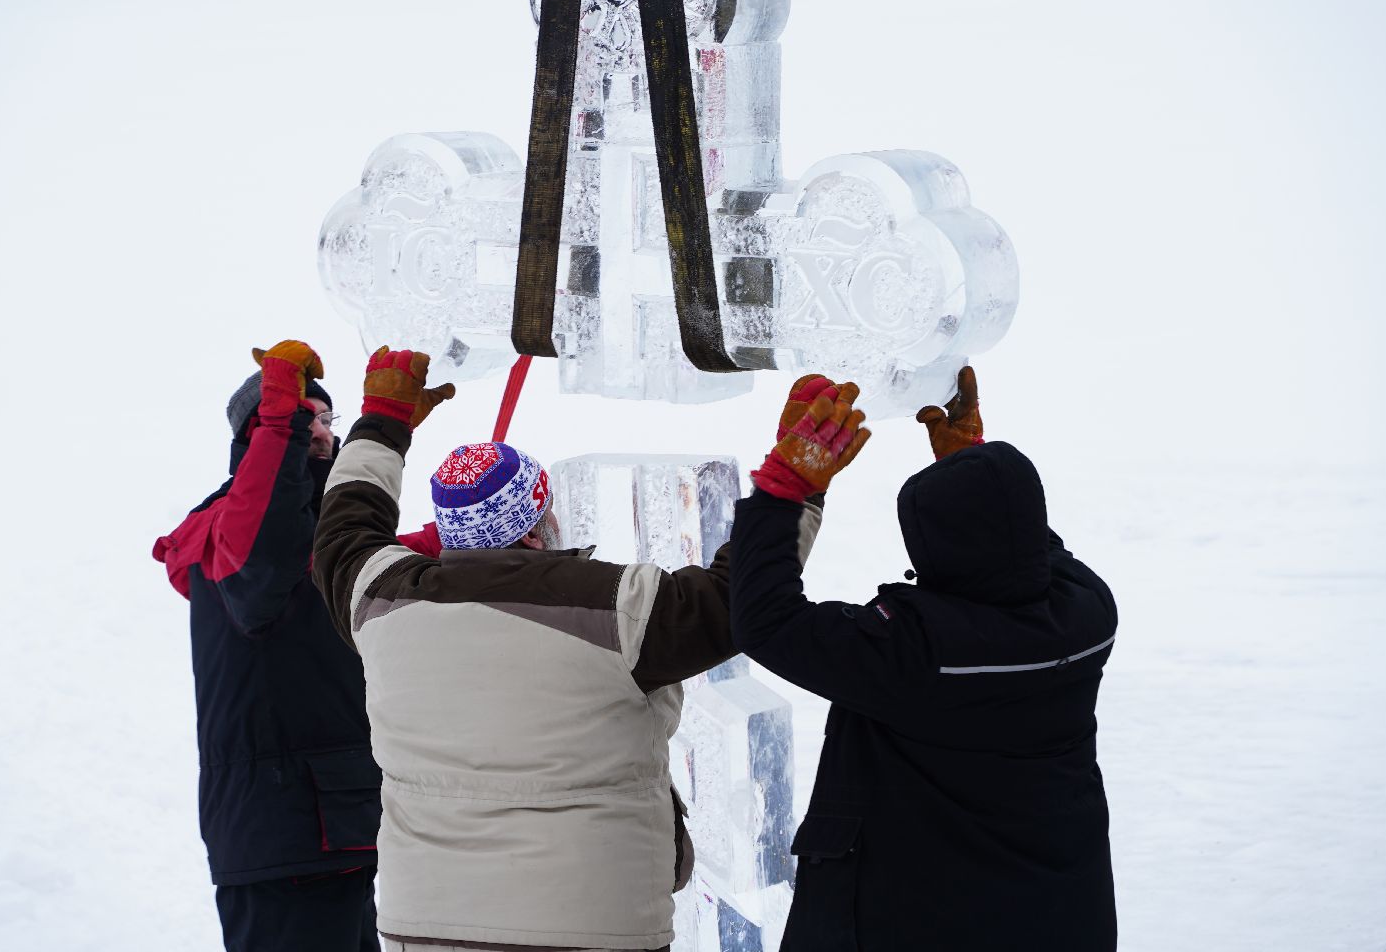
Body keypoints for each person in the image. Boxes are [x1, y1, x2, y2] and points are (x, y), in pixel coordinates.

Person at [312, 346, 745, 952]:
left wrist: (382, 420)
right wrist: (792, 490)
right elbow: (740, 596)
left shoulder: (379, 602)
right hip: (591, 929)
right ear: (538, 528)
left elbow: (344, 526)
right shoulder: (615, 607)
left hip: (426, 926)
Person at [728, 368, 1119, 951]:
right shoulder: (1087, 612)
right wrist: (974, 467)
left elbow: (767, 621)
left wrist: (785, 489)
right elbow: (1024, 544)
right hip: (1060, 922)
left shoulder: (917, 653)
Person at [153, 340, 445, 952]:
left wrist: (472, 525)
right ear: (259, 434)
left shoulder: (306, 542)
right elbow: (262, 554)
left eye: (326, 418)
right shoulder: (229, 533)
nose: (320, 431)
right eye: (298, 416)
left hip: (338, 825)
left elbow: (381, 569)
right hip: (284, 835)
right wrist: (280, 419)